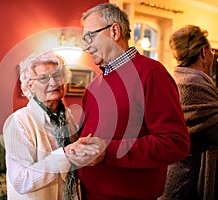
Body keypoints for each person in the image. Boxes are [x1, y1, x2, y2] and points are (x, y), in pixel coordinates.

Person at [67, 3, 191, 200]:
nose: (85, 46)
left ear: (114, 31)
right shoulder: (93, 87)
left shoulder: (152, 74)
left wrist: (107, 151)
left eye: (89, 37)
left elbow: (175, 143)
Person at [3, 51, 103, 200]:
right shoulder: (18, 122)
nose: (53, 83)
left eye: (57, 76)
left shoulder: (67, 117)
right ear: (30, 84)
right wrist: (65, 155)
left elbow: (75, 161)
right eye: (44, 78)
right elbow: (21, 180)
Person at [159, 25, 218, 200]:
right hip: (186, 181)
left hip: (176, 176)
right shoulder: (193, 84)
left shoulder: (179, 79)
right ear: (204, 52)